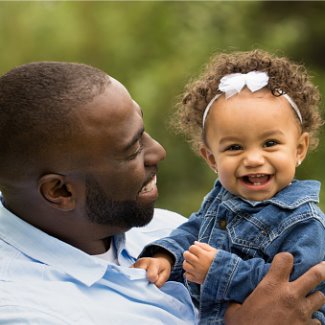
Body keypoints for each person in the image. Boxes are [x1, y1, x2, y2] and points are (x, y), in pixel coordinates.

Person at [0, 61, 324, 324]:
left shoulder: (160, 227)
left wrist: (166, 253)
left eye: (144, 132)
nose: (158, 152)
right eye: (132, 149)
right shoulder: (24, 310)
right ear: (60, 190)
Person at [133, 50, 325, 324]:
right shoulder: (223, 198)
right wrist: (165, 256)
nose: (254, 159)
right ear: (212, 159)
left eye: (270, 143)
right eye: (235, 147)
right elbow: (194, 232)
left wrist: (219, 270)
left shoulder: (305, 222)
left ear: (299, 149)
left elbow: (295, 286)